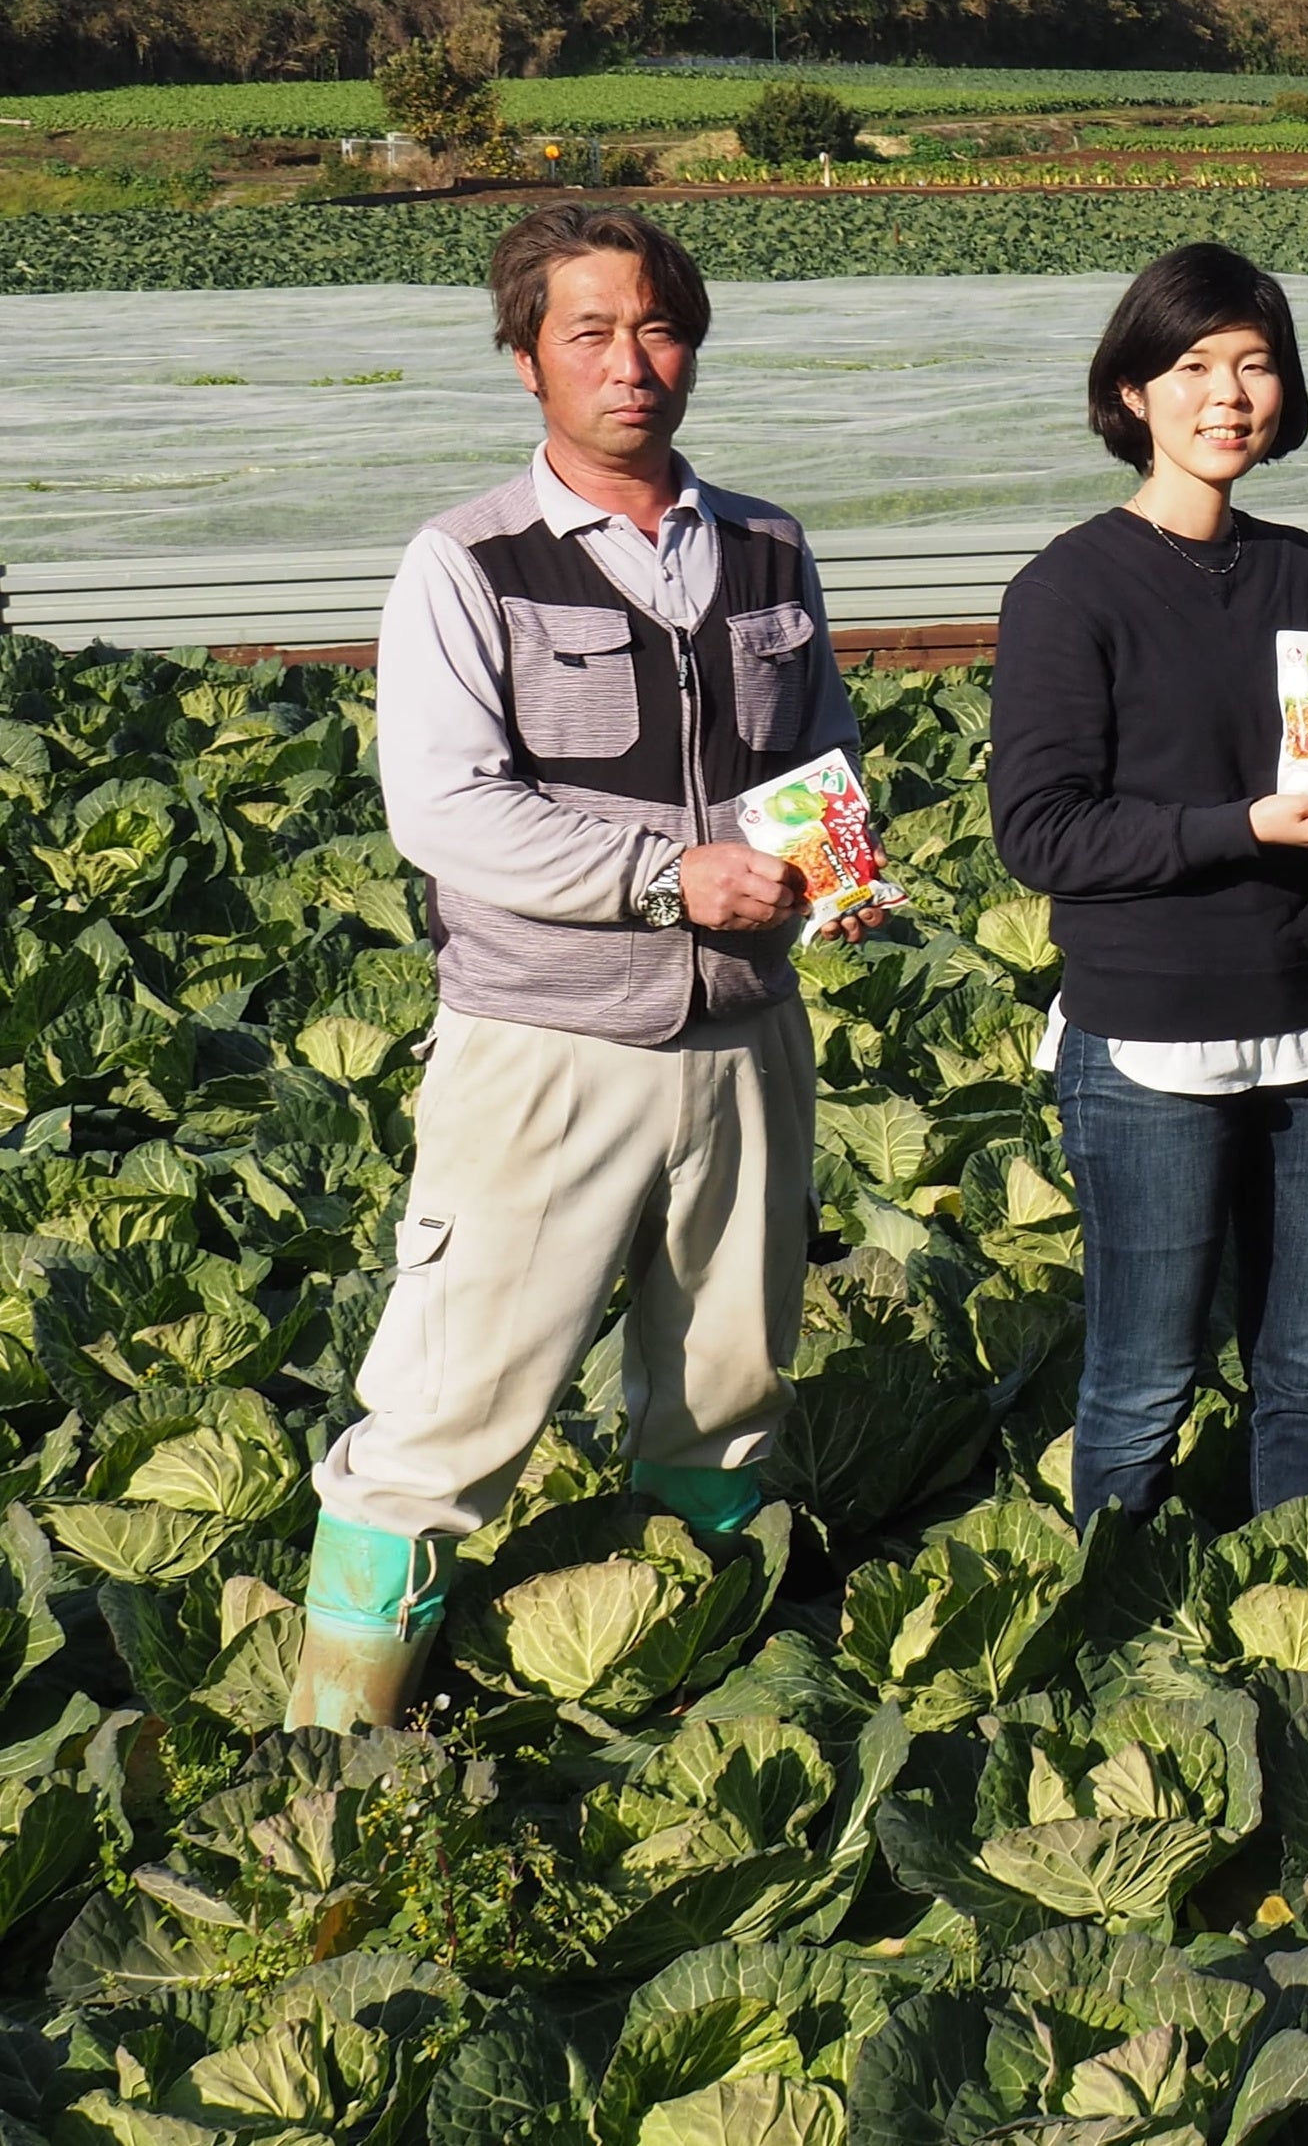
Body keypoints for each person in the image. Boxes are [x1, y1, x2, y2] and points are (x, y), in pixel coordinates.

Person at [296, 204, 861, 1730]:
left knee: (729, 1393)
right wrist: (668, 875)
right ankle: (331, 1761)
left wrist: (836, 862)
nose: (631, 363)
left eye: (660, 328)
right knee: (447, 1411)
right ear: (527, 355)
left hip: (747, 1036)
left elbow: (819, 750)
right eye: (591, 332)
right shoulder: (466, 560)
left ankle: (692, 1708)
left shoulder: (768, 544)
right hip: (545, 1050)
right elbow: (446, 809)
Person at [989, 243, 1308, 1523]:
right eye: (1192, 366)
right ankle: (1114, 1611)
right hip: (1150, 1040)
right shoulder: (1068, 587)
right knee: (1144, 1382)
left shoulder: (1302, 568)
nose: (1228, 395)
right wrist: (1244, 826)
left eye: (1255, 365)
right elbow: (1042, 834)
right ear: (1131, 392)